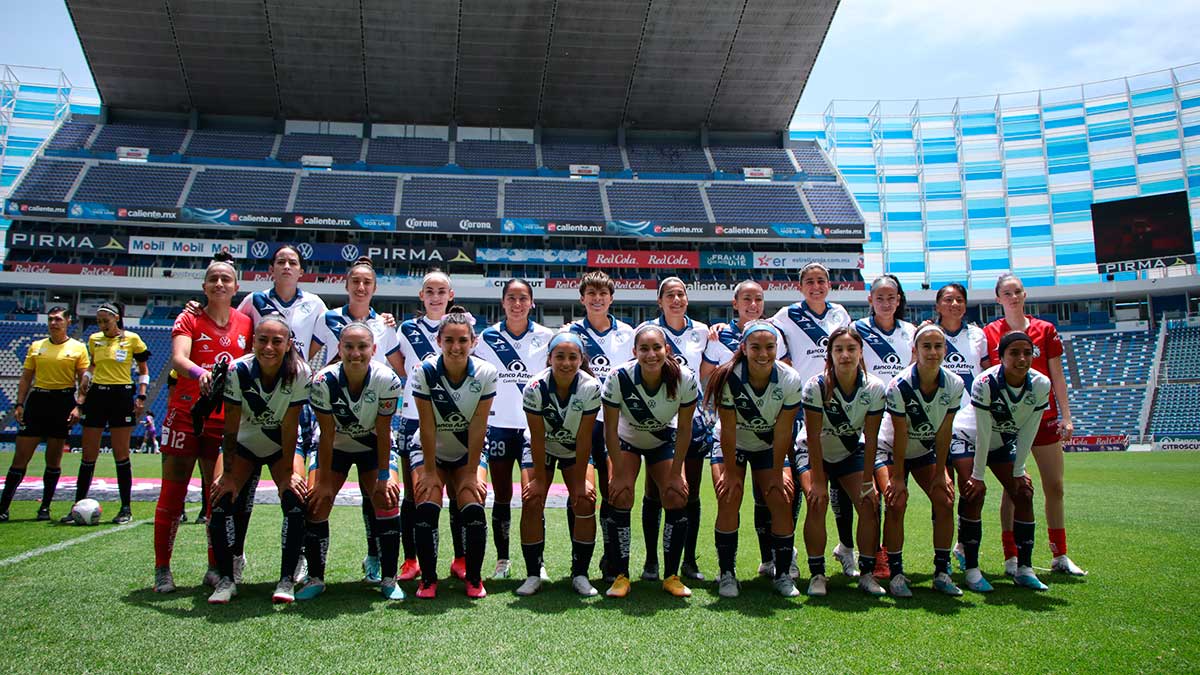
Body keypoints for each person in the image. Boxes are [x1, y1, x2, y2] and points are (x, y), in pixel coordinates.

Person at [153, 253, 253, 593]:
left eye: (226, 279)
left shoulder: (246, 324)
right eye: (214, 279)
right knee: (173, 492)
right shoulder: (190, 318)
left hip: (224, 422)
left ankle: (215, 567)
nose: (220, 283)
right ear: (204, 286)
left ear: (236, 287)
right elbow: (180, 359)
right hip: (185, 415)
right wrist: (202, 374)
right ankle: (163, 570)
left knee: (218, 496)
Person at [309, 256, 405, 584]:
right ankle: (311, 572)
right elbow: (304, 356)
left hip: (371, 417)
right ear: (347, 285)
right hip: (336, 413)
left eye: (367, 283)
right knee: (317, 496)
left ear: (374, 288)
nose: (361, 287)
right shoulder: (327, 318)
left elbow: (398, 367)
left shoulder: (385, 325)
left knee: (380, 495)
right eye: (355, 282)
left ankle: (378, 561)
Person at [985, 274, 1086, 577]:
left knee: (1055, 486)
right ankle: (1011, 556)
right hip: (1008, 423)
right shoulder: (990, 333)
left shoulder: (1046, 330)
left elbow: (1057, 376)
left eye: (1017, 292)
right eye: (1007, 292)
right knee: (1014, 488)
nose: (1013, 297)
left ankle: (1060, 554)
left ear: (1025, 294)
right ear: (998, 298)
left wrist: (1066, 416)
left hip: (1044, 419)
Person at [207, 314, 312, 604]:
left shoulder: (299, 372)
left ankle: (286, 579)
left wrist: (290, 471)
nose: (269, 347)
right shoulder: (237, 370)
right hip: (244, 443)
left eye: (277, 341)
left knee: (294, 501)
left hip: (280, 445)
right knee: (220, 501)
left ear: (289, 344)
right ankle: (226, 578)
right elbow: (230, 428)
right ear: (253, 342)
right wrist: (228, 474)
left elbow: (291, 426)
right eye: (262, 340)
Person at [298, 322, 404, 601]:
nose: (355, 353)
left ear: (374, 350)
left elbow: (383, 431)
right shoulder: (323, 381)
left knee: (388, 498)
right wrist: (322, 484)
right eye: (349, 347)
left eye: (362, 347)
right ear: (339, 349)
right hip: (335, 445)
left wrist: (383, 477)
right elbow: (327, 434)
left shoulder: (387, 379)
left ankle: (389, 579)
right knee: (317, 500)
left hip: (372, 444)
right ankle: (316, 578)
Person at [704, 280, 801, 580]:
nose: (763, 353)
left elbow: (784, 432)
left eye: (769, 347)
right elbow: (730, 431)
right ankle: (727, 573)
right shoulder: (727, 376)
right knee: (729, 494)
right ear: (743, 348)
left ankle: (783, 572)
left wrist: (775, 471)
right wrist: (732, 472)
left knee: (780, 495)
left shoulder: (789, 379)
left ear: (778, 348)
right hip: (732, 442)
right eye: (755, 347)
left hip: (768, 442)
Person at [771, 262, 858, 579]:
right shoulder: (786, 315)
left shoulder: (841, 315)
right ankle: (789, 553)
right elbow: (767, 340)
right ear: (800, 286)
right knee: (796, 485)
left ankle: (846, 549)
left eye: (821, 280)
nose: (816, 286)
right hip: (800, 409)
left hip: (836, 408)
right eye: (809, 281)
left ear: (829, 284)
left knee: (842, 483)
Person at [601, 324, 699, 598]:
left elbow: (685, 429)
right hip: (627, 440)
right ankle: (620, 576)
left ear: (667, 350)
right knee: (620, 494)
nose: (651, 354)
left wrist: (677, 472)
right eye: (644, 348)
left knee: (676, 495)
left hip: (662, 441)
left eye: (657, 348)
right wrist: (619, 472)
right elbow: (609, 429)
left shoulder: (684, 378)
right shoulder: (618, 377)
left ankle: (671, 576)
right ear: (634, 352)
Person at [410, 307, 497, 599]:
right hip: (429, 449)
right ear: (439, 341)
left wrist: (471, 474)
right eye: (449, 340)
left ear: (473, 342)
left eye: (462, 340)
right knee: (427, 503)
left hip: (466, 452)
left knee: (472, 504)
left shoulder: (485, 373)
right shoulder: (425, 372)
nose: (456, 347)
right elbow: (427, 426)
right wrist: (432, 472)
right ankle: (428, 580)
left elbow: (478, 426)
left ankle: (473, 577)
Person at [797, 326, 887, 597]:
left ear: (860, 353)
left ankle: (867, 573)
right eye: (839, 349)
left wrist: (869, 481)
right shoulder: (816, 385)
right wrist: (819, 481)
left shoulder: (874, 387)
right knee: (817, 501)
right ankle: (817, 574)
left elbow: (871, 437)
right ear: (830, 355)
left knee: (870, 502)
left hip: (850, 452)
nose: (845, 355)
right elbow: (813, 436)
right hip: (814, 453)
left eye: (851, 349)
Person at [960, 331, 1052, 592]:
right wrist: (977, 475)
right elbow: (983, 430)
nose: (1022, 358)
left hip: (1000, 442)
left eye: (1027, 353)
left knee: (1023, 492)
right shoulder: (985, 381)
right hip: (969, 437)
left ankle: (1024, 568)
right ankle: (972, 569)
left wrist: (1019, 470)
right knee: (974, 493)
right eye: (1014, 353)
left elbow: (1028, 430)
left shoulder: (1041, 384)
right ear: (1000, 357)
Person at [474, 279, 554, 580]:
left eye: (523, 298)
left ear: (532, 302)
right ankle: (503, 560)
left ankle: (538, 561)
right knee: (503, 496)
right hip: (498, 425)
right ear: (503, 302)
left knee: (534, 495)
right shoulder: (487, 337)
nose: (517, 304)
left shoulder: (547, 337)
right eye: (511, 298)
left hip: (533, 428)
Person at [878, 323, 964, 597]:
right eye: (926, 346)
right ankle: (896, 572)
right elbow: (900, 435)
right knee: (896, 500)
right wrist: (898, 478)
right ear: (914, 350)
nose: (933, 351)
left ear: (945, 349)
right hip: (892, 449)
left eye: (938, 346)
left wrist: (941, 473)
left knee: (945, 498)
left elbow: (944, 430)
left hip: (925, 449)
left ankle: (942, 571)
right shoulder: (899, 385)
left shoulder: (954, 383)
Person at [516, 332, 602, 596]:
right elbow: (538, 437)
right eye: (560, 356)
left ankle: (580, 574)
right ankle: (533, 573)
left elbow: (585, 437)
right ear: (550, 358)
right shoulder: (534, 387)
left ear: (581, 359)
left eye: (572, 357)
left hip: (574, 448)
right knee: (532, 499)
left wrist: (579, 482)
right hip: (540, 447)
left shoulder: (590, 387)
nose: (566, 362)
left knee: (585, 499)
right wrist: (540, 480)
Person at [637, 277, 710, 582]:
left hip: (690, 421)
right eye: (670, 295)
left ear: (687, 299)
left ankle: (689, 561)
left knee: (689, 490)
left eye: (681, 294)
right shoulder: (648, 332)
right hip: (657, 422)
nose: (676, 299)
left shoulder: (704, 332)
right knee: (655, 490)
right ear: (660, 300)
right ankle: (652, 560)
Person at [567, 271, 635, 580]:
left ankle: (611, 561)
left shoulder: (628, 333)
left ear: (611, 298)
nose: (597, 298)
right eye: (591, 293)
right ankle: (578, 561)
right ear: (582, 299)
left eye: (603, 293)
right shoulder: (570, 332)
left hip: (616, 424)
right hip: (581, 422)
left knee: (614, 492)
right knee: (581, 492)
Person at [0, 307, 89, 522]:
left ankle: (45, 508)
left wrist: (79, 406)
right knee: (20, 457)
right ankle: (3, 507)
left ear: (68, 321)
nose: (53, 323)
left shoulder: (78, 348)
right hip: (38, 401)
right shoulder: (36, 346)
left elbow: (83, 382)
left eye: (58, 319)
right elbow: (25, 378)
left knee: (53, 458)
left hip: (62, 402)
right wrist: (19, 403)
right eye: (50, 319)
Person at [394, 270, 455, 582]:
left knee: (456, 491)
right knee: (413, 493)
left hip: (448, 419)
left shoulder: (460, 328)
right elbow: (398, 365)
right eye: (429, 291)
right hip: (412, 417)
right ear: (421, 295)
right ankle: (411, 559)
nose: (435, 296)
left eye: (441, 291)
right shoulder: (405, 329)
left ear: (450, 296)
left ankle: (459, 559)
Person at [854, 274, 916, 580]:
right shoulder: (858, 330)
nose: (886, 303)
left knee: (895, 496)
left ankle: (892, 559)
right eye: (880, 297)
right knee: (874, 494)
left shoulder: (910, 332)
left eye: (892, 298)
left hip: (902, 422)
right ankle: (873, 555)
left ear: (899, 300)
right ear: (870, 300)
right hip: (867, 422)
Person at [68, 302, 150, 525]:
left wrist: (141, 396)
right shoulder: (94, 340)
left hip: (121, 396)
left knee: (121, 454)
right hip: (97, 396)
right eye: (99, 321)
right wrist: (86, 377)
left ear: (117, 319)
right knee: (88, 455)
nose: (102, 325)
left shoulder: (132, 339)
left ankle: (125, 508)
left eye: (106, 320)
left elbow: (143, 370)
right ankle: (77, 505)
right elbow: (94, 365)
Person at [932, 283, 991, 570]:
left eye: (959, 299)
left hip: (970, 423)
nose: (953, 304)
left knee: (971, 488)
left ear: (965, 305)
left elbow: (986, 374)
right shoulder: (929, 334)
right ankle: (941, 559)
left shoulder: (978, 336)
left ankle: (964, 547)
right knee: (944, 493)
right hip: (938, 423)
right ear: (938, 305)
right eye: (947, 299)